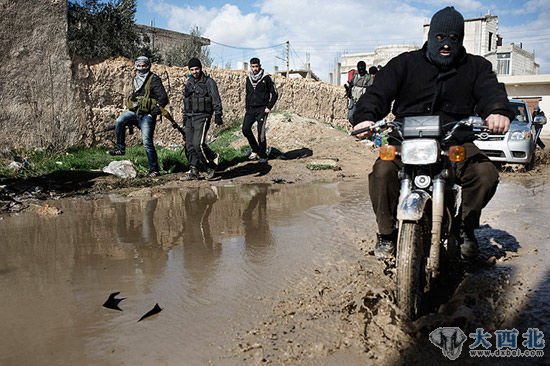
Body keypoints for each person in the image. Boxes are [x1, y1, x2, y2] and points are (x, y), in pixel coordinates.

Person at [352, 6, 514, 259]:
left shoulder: (476, 67)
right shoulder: (404, 64)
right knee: (382, 172)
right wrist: (365, 118)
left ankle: (464, 228)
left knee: (485, 174)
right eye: (440, 38)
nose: (446, 44)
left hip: (453, 141)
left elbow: (490, 92)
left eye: (453, 39)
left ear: (460, 40)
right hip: (405, 140)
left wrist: (496, 111)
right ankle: (385, 233)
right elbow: (378, 93)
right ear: (430, 37)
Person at [109, 56, 168, 177]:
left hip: (147, 115)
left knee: (147, 142)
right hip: (134, 112)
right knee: (120, 121)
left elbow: (163, 98)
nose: (141, 68)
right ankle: (120, 148)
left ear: (148, 65)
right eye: (139, 65)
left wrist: (153, 113)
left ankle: (154, 169)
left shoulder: (154, 79)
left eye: (144, 66)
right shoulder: (135, 78)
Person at [182, 57, 223, 180]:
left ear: (201, 68)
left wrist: (218, 115)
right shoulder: (189, 82)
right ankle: (194, 170)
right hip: (189, 117)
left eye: (197, 69)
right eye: (192, 69)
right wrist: (184, 117)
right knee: (189, 145)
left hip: (203, 116)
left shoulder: (209, 82)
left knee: (198, 144)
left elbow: (216, 99)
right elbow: (186, 101)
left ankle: (210, 167)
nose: (195, 72)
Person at [243, 57, 278, 163]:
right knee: (245, 129)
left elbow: (275, 94)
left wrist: (269, 107)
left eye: (256, 66)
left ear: (260, 66)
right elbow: (247, 94)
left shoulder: (266, 78)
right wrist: (247, 107)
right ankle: (255, 149)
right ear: (250, 67)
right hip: (250, 110)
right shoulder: (248, 78)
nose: (255, 69)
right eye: (253, 67)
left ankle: (262, 155)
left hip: (262, 109)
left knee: (261, 134)